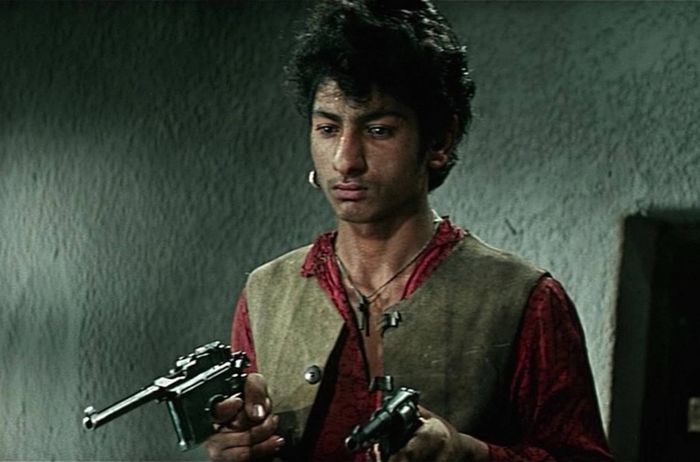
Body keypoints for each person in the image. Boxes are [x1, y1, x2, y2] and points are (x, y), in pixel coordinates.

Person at [205, 1, 614, 461]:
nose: (345, 159)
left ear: (439, 140)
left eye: (378, 130)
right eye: (328, 128)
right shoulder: (268, 292)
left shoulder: (523, 298)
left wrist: (468, 454)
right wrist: (237, 450)